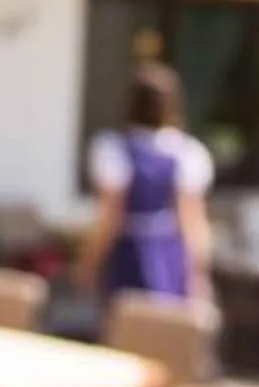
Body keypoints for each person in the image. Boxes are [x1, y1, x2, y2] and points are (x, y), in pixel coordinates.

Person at [76, 63, 213, 301]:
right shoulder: (186, 152)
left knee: (124, 324)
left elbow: (109, 217)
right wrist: (198, 274)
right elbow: (193, 222)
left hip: (128, 252)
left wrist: (88, 261)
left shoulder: (113, 149)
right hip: (168, 253)